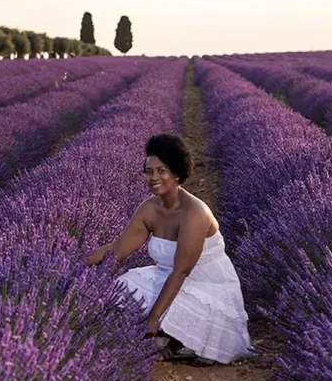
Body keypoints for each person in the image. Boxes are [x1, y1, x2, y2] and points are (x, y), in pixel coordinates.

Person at [87, 134, 251, 365]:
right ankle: (171, 341)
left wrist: (152, 319)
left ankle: (175, 339)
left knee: (167, 305)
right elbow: (118, 249)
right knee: (124, 285)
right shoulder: (150, 208)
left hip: (208, 286)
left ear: (176, 173)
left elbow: (181, 271)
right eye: (149, 171)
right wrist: (76, 265)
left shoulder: (195, 212)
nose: (154, 177)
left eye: (161, 171)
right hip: (169, 276)